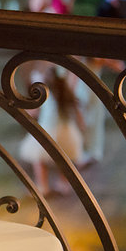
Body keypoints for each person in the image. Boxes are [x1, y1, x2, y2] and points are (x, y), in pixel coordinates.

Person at [19, 66, 85, 196]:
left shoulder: (45, 96)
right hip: (67, 131)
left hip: (48, 130)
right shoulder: (65, 91)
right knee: (64, 159)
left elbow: (35, 112)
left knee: (39, 159)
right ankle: (64, 184)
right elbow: (76, 109)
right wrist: (81, 124)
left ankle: (43, 186)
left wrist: (22, 110)